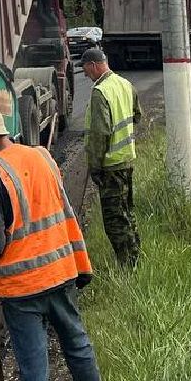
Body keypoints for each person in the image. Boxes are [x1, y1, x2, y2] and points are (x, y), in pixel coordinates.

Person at [0, 104, 109, 381]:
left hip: (23, 287)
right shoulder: (42, 156)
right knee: (77, 344)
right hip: (61, 271)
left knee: (33, 370)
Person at [81, 47, 140, 267]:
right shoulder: (125, 84)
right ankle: (135, 257)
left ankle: (127, 266)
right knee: (127, 212)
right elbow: (137, 115)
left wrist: (94, 166)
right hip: (126, 161)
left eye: (86, 70)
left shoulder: (101, 92)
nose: (86, 75)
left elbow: (99, 134)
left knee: (115, 220)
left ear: (94, 65)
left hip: (110, 167)